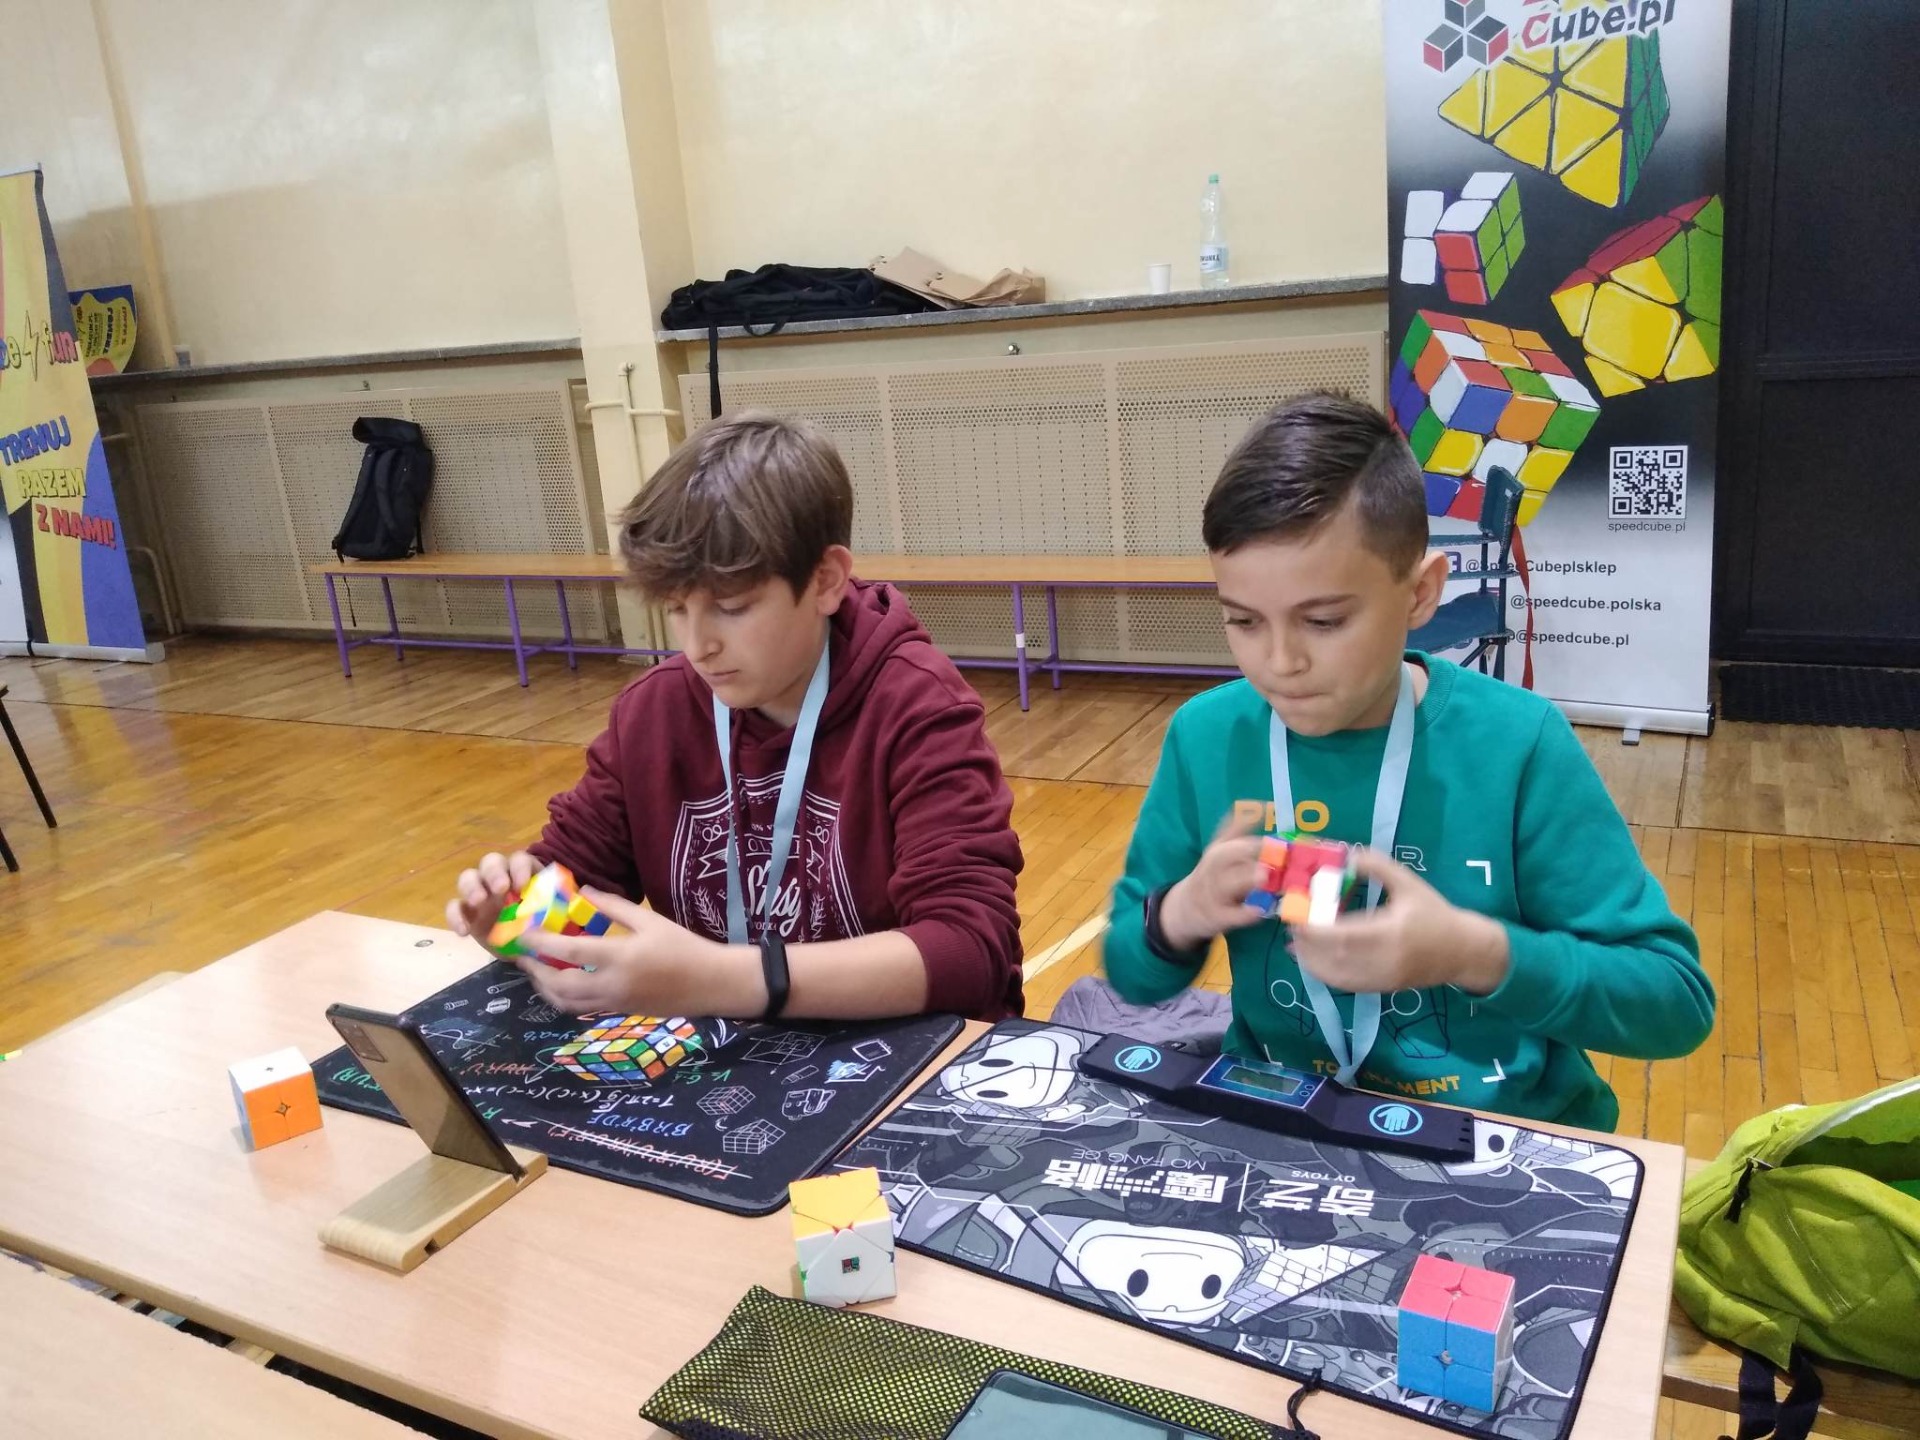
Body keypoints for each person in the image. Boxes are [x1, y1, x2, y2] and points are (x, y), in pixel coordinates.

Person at [1105, 393, 1712, 1129]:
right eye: (1242, 620)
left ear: (1421, 592)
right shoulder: (1207, 737)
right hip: (1285, 1118)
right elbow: (1131, 974)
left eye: (1324, 620)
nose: (1280, 662)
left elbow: (1675, 1003)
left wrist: (1474, 953)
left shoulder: (1517, 743)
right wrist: (1179, 914)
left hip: (1497, 1137)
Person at [447, 414, 1024, 1023]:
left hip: (903, 1054)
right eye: (677, 609)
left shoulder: (918, 706)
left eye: (731, 606)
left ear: (825, 581)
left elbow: (970, 953)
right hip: (733, 1047)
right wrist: (511, 915)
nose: (699, 646)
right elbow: (573, 878)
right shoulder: (653, 712)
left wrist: (728, 979)